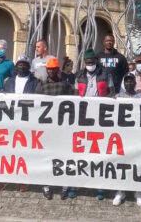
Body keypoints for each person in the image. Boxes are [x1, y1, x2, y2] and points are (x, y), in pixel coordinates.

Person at [34, 58, 76, 200]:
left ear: (58, 69)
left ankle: (64, 185)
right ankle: (47, 185)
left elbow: (73, 102)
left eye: (53, 69)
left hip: (63, 127)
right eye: (49, 69)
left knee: (63, 155)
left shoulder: (65, 84)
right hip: (47, 128)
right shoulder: (42, 85)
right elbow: (35, 105)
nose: (51, 71)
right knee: (47, 156)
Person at [75, 49, 112, 200]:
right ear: (84, 63)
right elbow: (75, 95)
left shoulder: (105, 74)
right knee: (81, 150)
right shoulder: (79, 75)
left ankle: (100, 186)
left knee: (99, 150)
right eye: (87, 63)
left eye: (92, 62)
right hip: (83, 116)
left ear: (96, 62)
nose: (90, 65)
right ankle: (76, 183)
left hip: (100, 116)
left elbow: (111, 92)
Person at [111, 74, 141, 207]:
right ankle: (121, 191)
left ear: (135, 83)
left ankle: (138, 192)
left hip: (137, 136)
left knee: (137, 163)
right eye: (126, 81)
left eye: (131, 81)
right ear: (123, 83)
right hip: (122, 136)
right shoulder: (118, 97)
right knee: (122, 163)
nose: (129, 83)